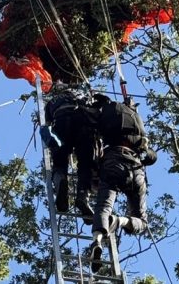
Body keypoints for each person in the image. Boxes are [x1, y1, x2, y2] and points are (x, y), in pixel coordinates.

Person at [88, 96, 157, 273]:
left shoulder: (107, 115)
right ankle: (120, 221)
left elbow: (92, 139)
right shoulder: (137, 121)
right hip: (136, 168)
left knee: (104, 205)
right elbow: (151, 156)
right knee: (142, 221)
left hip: (113, 161)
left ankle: (97, 240)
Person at [41, 85, 100, 217]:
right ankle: (82, 196)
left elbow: (47, 124)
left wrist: (52, 143)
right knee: (86, 163)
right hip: (83, 124)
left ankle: (60, 181)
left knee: (60, 161)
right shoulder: (82, 97)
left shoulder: (52, 102)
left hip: (61, 122)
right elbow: (95, 112)